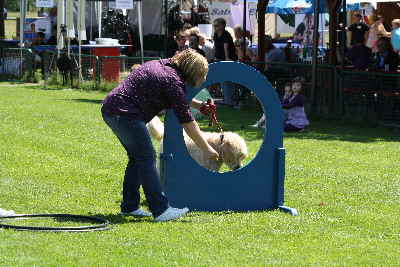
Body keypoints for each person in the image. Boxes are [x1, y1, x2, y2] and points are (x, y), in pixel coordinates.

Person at [101, 49, 219, 222]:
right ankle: (160, 209)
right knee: (147, 157)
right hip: (126, 114)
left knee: (137, 158)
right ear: (193, 71)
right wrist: (207, 149)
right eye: (203, 75)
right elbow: (188, 123)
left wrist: (199, 105)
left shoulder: (165, 66)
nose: (204, 79)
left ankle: (130, 206)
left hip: (112, 110)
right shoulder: (173, 80)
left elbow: (177, 97)